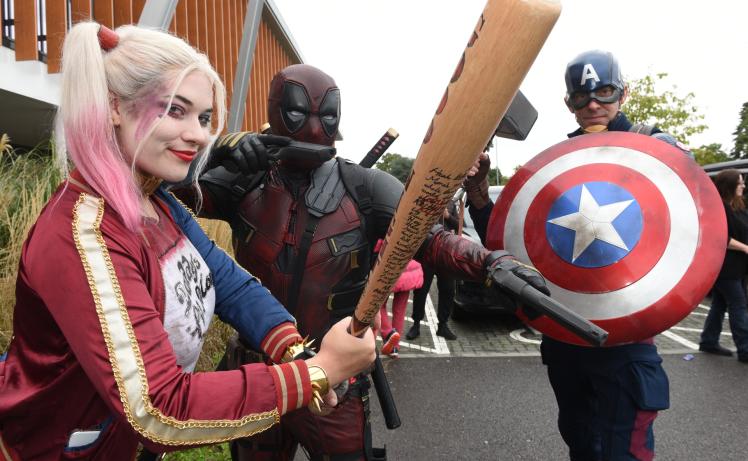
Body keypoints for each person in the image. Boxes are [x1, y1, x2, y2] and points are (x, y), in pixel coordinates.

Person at [0, 23, 375, 460]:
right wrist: (315, 373)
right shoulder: (84, 234)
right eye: (175, 110)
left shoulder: (157, 201)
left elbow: (230, 282)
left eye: (204, 118)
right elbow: (161, 408)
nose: (198, 135)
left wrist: (294, 350)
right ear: (115, 107)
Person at [173, 63, 550, 461]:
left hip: (334, 380)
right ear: (276, 110)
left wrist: (492, 265)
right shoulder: (244, 181)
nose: (314, 126)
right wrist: (212, 153)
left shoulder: (365, 187)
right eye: (298, 112)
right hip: (260, 377)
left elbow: (430, 239)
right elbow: (161, 192)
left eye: (326, 115)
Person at [464, 50, 687, 460]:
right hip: (567, 328)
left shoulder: (653, 149)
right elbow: (515, 240)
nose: (593, 104)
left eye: (605, 92)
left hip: (624, 330)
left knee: (623, 450)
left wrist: (662, 156)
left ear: (623, 93)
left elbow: (689, 218)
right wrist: (479, 193)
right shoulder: (559, 165)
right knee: (580, 441)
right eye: (581, 97)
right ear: (568, 103)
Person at [699, 169, 748, 361]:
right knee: (739, 305)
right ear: (729, 185)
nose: (743, 186)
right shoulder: (719, 209)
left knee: (719, 304)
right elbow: (720, 237)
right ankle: (745, 349)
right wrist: (745, 247)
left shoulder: (738, 207)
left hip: (737, 268)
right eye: (740, 183)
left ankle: (708, 341)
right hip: (725, 267)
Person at [408, 203, 460, 341]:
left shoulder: (451, 204)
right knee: (421, 290)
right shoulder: (427, 200)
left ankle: (443, 325)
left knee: (448, 290)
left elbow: (459, 225)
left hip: (445, 255)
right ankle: (416, 324)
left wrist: (448, 216)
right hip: (426, 253)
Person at [375, 240, 423, 358]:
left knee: (378, 304)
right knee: (400, 310)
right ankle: (395, 347)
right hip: (408, 269)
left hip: (388, 269)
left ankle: (388, 333)